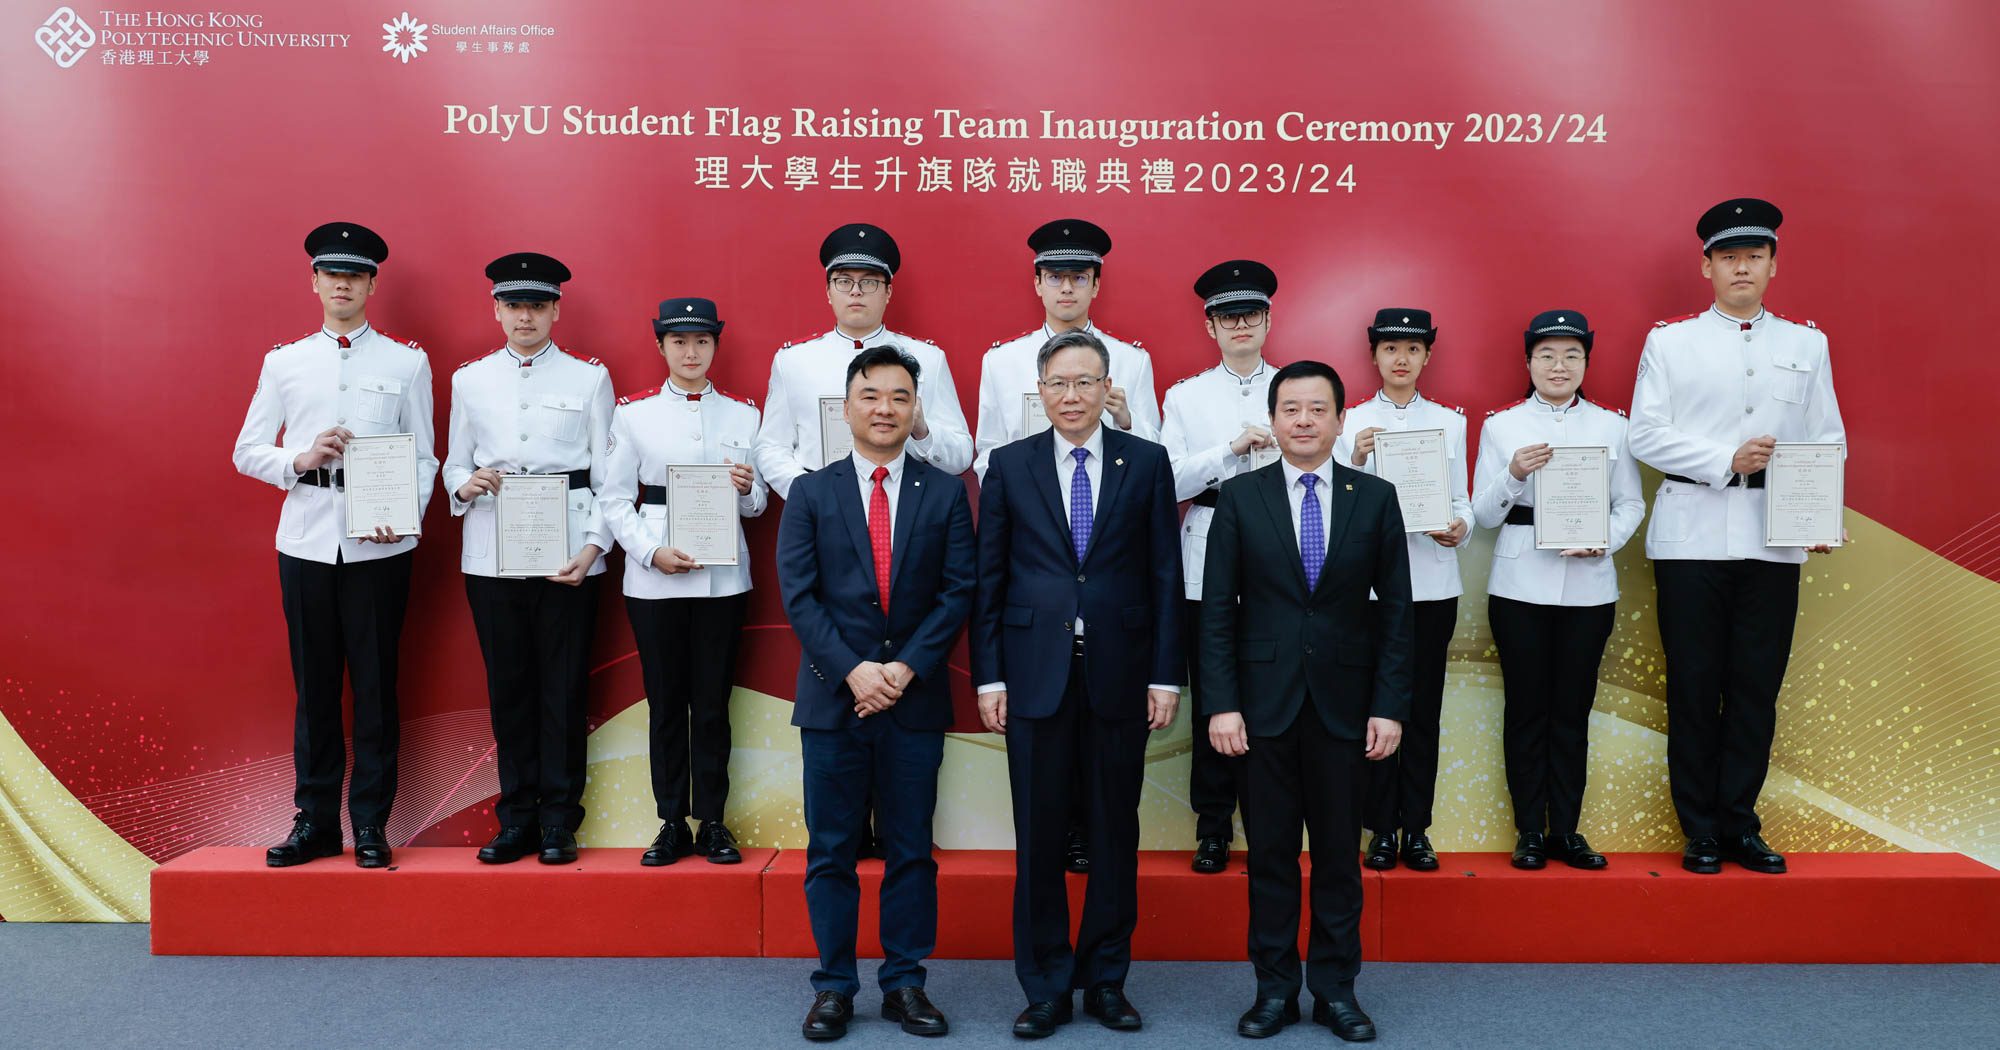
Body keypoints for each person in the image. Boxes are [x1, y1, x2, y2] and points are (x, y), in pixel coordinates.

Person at [971, 329, 1183, 1038]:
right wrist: (989, 676)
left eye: (1086, 383)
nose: (1071, 396)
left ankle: (1106, 981)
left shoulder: (1146, 463)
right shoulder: (1009, 464)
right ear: (1040, 391)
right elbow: (989, 580)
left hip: (1122, 675)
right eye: (1059, 384)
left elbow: (1164, 576)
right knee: (1036, 837)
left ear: (1106, 389)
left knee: (1114, 834)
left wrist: (1166, 677)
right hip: (1033, 676)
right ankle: (1045, 986)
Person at [1628, 198, 1848, 875]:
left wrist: (1818, 516)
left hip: (1773, 539)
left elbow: (1824, 437)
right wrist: (1725, 459)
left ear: (1773, 265)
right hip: (1692, 534)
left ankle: (1740, 825)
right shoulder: (1671, 341)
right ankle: (1698, 829)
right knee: (1695, 685)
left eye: (1754, 255)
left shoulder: (1806, 344)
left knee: (1756, 687)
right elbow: (1645, 433)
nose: (1742, 266)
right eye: (1728, 256)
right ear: (1707, 266)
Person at [1200, 359, 1411, 1043]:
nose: (1304, 421)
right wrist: (1221, 704)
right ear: (1273, 420)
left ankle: (1335, 992)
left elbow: (1397, 614)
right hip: (1260, 710)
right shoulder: (1240, 497)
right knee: (1268, 856)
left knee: (1339, 860)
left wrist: (1389, 705)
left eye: (1318, 409)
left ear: (1341, 420)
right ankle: (1274, 991)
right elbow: (1217, 614)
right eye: (1290, 409)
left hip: (1348, 710)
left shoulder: (1375, 497)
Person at [755, 222, 974, 860]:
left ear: (887, 292)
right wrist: (814, 497)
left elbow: (960, 454)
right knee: (833, 842)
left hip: (904, 529)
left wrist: (922, 426)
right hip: (828, 537)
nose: (857, 291)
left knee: (909, 839)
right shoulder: (793, 360)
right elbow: (769, 444)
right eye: (845, 281)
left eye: (870, 282)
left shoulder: (924, 362)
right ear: (828, 290)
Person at [778, 345, 976, 1041]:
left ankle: (905, 983)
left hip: (913, 700)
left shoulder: (946, 494)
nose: (885, 408)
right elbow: (800, 597)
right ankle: (834, 986)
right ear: (848, 405)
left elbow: (957, 595)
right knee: (830, 848)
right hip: (834, 700)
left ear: (914, 407)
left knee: (910, 848)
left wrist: (904, 670)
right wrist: (856, 671)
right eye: (871, 396)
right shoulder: (811, 491)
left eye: (899, 397)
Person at [233, 221, 437, 868]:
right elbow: (246, 451)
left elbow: (426, 458)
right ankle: (315, 823)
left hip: (381, 548)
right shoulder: (285, 361)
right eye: (331, 272)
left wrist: (407, 517)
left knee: (378, 689)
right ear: (315, 281)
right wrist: (299, 458)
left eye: (354, 273)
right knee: (315, 690)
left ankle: (371, 826)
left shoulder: (407, 361)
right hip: (307, 540)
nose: (342, 282)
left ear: (372, 284)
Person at [976, 218, 1161, 876]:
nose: (1065, 286)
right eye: (1054, 275)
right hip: (1038, 571)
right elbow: (982, 456)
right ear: (1037, 282)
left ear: (1095, 284)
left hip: (1109, 581)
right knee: (1042, 802)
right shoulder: (1001, 361)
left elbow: (1152, 471)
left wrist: (1121, 424)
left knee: (1112, 800)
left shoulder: (1131, 363)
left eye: (1078, 276)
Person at [443, 253, 614, 866]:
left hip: (566, 554)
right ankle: (515, 819)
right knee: (509, 688)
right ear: (496, 309)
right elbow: (454, 462)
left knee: (562, 691)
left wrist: (594, 549)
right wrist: (463, 487)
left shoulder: (588, 379)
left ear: (555, 311)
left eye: (537, 305)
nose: (525, 316)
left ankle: (560, 821)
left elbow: (608, 476)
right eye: (513, 305)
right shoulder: (471, 379)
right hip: (492, 552)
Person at [1470, 310, 1645, 871]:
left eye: (1572, 355)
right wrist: (1513, 474)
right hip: (1519, 586)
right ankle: (1528, 830)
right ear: (1528, 362)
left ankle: (1566, 830)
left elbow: (1631, 505)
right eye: (1547, 355)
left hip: (1590, 590)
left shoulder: (1611, 426)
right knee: (1525, 711)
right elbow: (1483, 515)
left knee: (1572, 712)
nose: (1559, 365)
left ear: (1586, 363)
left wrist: (1606, 540)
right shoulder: (1502, 426)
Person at [597, 298, 767, 867]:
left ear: (716, 346)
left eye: (701, 341)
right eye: (679, 342)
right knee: (667, 703)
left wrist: (746, 489)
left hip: (723, 580)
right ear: (661, 347)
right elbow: (615, 498)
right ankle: (671, 819)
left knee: (714, 704)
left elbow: (760, 505)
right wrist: (649, 552)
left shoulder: (744, 414)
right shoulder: (633, 414)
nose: (690, 352)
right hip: (656, 581)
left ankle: (713, 820)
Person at [1332, 308, 1470, 873]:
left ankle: (1416, 828)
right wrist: (1355, 459)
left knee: (1422, 709)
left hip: (1431, 584)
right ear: (1374, 355)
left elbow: (1460, 504)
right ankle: (1378, 827)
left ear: (1427, 356)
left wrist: (1458, 528)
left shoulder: (1450, 423)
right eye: (1391, 349)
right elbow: (1328, 507)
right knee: (1371, 709)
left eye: (1413, 349)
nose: (1402, 359)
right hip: (1365, 593)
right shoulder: (1350, 424)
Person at [1158, 260, 1282, 874]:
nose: (1240, 324)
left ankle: (1268, 821)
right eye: (1227, 316)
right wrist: (1229, 450)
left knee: (1274, 693)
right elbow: (1166, 478)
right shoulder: (1184, 395)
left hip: (1284, 553)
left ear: (1267, 320)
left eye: (1250, 314)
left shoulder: (1296, 387)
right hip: (1206, 544)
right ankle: (1212, 826)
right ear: (1210, 326)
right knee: (1213, 695)